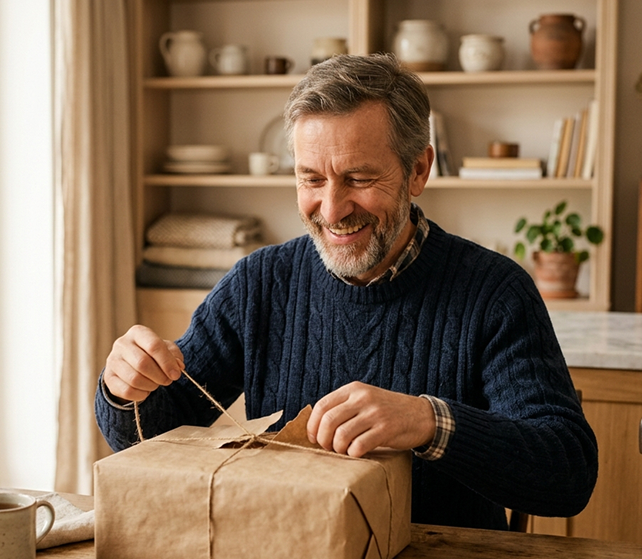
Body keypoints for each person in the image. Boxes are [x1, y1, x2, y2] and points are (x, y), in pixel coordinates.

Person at [95, 53, 597, 530]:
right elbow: (152, 435)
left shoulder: (496, 292)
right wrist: (124, 388)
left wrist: (429, 422)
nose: (332, 210)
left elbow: (568, 473)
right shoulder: (259, 283)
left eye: (357, 178)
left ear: (418, 170)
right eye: (311, 179)